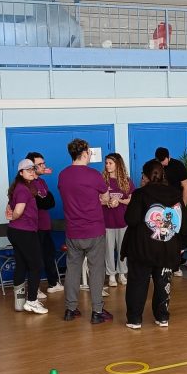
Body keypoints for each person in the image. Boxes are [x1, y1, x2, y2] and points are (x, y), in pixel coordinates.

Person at [122, 159, 187, 329]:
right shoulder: (175, 194)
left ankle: (135, 319)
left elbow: (131, 219)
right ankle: (162, 317)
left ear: (145, 176)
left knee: (138, 283)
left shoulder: (140, 194)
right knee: (163, 283)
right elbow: (185, 224)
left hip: (142, 249)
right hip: (167, 248)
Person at [58, 138, 113, 324]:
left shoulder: (63, 175)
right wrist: (99, 199)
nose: (90, 155)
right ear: (83, 154)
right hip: (94, 230)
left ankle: (70, 309)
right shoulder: (94, 175)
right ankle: (97, 311)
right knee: (96, 270)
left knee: (72, 270)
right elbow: (105, 198)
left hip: (73, 231)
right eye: (89, 152)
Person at [6, 159, 48, 314]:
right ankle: (32, 301)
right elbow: (17, 210)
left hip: (16, 231)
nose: (32, 171)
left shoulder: (18, 187)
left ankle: (19, 302)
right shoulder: (23, 189)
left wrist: (11, 215)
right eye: (28, 170)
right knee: (36, 265)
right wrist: (13, 216)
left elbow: (9, 205)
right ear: (21, 173)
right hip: (24, 232)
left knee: (22, 265)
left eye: (33, 169)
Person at [26, 151, 64, 294]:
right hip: (33, 228)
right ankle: (34, 290)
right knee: (35, 259)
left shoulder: (41, 181)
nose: (44, 166)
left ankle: (53, 283)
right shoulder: (28, 183)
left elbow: (50, 202)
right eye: (40, 164)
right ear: (31, 167)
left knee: (49, 254)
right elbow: (39, 203)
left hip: (45, 225)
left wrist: (44, 200)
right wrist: (43, 200)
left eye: (43, 163)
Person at [155, 147, 187, 276]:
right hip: (160, 208)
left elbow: (185, 186)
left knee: (176, 237)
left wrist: (183, 206)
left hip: (176, 207)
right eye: (159, 161)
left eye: (163, 160)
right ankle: (161, 265)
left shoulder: (178, 166)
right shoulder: (156, 166)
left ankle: (176, 266)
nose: (161, 163)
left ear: (168, 157)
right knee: (162, 235)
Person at [102, 153, 135, 287]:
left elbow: (131, 200)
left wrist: (119, 200)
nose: (107, 165)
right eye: (106, 163)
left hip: (123, 222)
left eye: (110, 163)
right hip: (107, 222)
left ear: (118, 164)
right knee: (108, 250)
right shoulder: (102, 179)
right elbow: (97, 199)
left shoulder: (126, 180)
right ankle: (111, 275)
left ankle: (122, 274)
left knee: (123, 250)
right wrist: (108, 202)